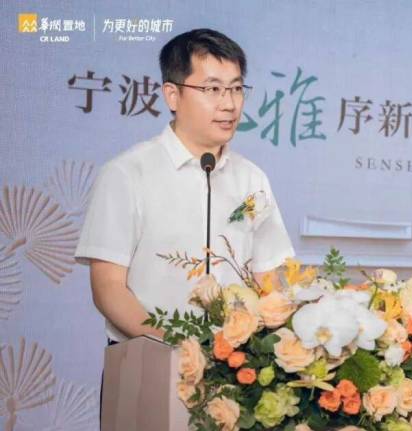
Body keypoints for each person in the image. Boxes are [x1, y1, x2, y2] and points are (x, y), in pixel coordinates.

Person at [75, 28, 295, 345]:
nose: (229, 104)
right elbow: (108, 288)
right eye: (212, 89)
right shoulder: (126, 173)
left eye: (236, 89)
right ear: (172, 95)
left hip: (232, 363)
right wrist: (175, 347)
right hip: (146, 357)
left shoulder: (252, 179)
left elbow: (269, 280)